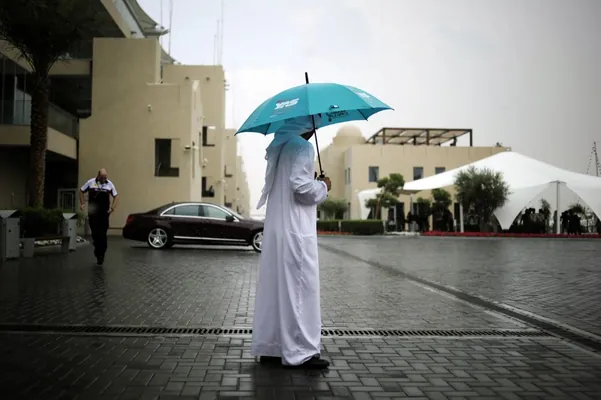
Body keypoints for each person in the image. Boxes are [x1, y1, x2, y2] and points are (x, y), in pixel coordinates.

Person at [251, 115, 332, 369]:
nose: (314, 130)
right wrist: (323, 186)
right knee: (301, 290)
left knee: (277, 289)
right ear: (307, 126)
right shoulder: (302, 147)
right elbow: (301, 187)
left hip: (277, 231)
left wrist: (314, 181)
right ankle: (301, 352)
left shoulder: (281, 148)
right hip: (297, 231)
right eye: (314, 125)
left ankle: (272, 347)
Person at [79, 169, 119, 266]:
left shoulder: (109, 184)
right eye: (102, 177)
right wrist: (82, 203)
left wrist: (112, 208)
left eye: (105, 177)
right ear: (98, 176)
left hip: (104, 213)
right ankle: (97, 249)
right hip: (93, 213)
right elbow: (81, 191)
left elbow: (116, 196)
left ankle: (101, 254)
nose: (104, 179)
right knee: (95, 233)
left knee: (103, 233)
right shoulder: (91, 182)